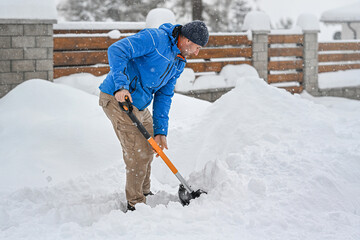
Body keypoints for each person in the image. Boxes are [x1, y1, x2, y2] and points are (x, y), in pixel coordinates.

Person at [98, 20, 209, 211]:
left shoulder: (179, 61)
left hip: (139, 105)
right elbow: (117, 50)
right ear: (187, 40)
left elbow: (164, 95)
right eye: (197, 47)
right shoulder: (155, 38)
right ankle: (135, 204)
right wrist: (121, 85)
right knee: (137, 153)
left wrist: (160, 130)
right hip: (117, 99)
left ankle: (145, 192)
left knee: (150, 147)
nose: (197, 53)